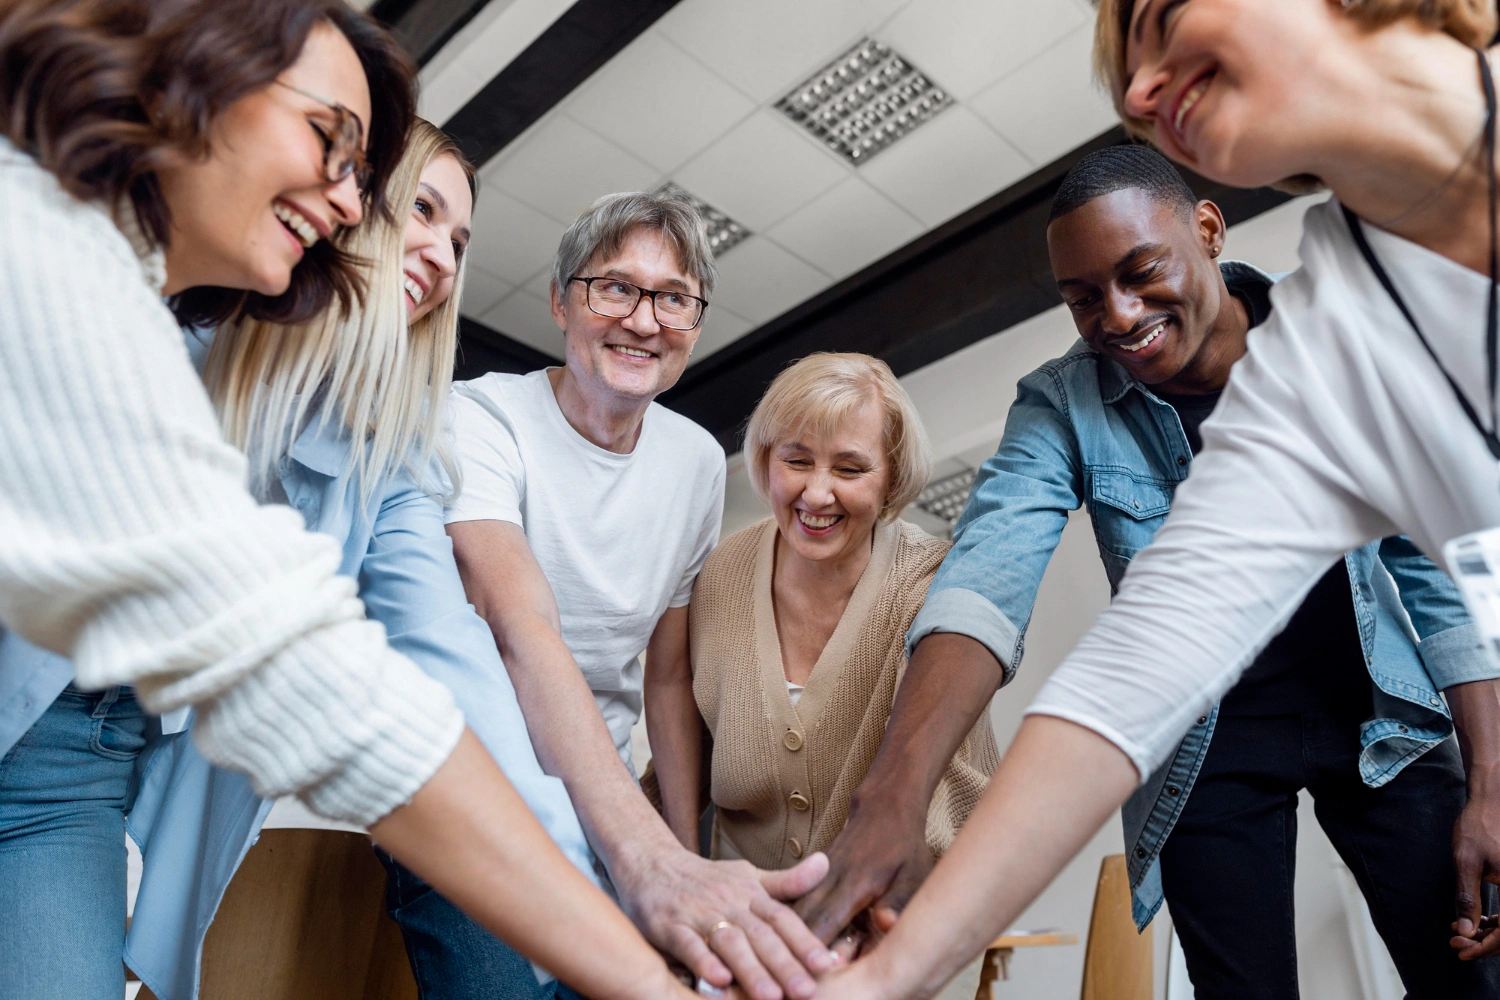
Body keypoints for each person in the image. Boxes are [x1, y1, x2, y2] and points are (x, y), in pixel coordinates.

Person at [0, 4, 693, 999]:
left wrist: (623, 880)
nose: (340, 196)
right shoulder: (74, 272)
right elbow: (305, 672)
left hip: (74, 768)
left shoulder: (386, 448)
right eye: (335, 148)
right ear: (194, 78)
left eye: (358, 170)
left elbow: (450, 667)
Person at [810, 1, 1500, 997]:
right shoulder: (1329, 362)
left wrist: (1489, 773)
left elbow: (1435, 574)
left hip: (1376, 708)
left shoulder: (1328, 330)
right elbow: (1094, 636)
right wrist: (892, 867)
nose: (1135, 88)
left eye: (1161, 14)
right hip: (1215, 738)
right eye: (1084, 296)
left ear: (1208, 228)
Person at [442, 191, 839, 1000]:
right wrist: (644, 856)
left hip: (608, 809)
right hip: (472, 788)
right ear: (561, 300)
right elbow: (522, 627)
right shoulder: (478, 418)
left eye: (673, 298)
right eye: (615, 288)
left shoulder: (694, 460)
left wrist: (680, 849)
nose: (644, 320)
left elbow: (664, 675)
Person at [648, 352, 1000, 1000]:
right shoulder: (719, 577)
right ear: (766, 460)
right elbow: (682, 753)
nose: (816, 492)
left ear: (891, 479)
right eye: (797, 459)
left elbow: (958, 792)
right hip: (736, 950)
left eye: (849, 468)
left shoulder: (932, 587)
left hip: (890, 946)